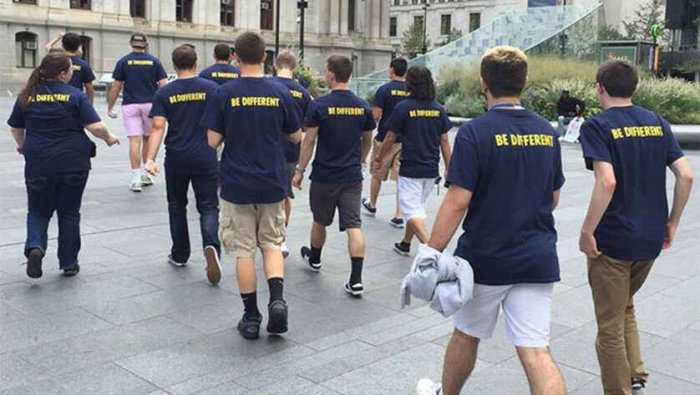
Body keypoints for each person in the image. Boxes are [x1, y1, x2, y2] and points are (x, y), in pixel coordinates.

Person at [416, 46, 566, 395]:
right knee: (536, 351)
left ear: (484, 83)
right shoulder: (547, 132)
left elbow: (457, 201)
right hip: (537, 257)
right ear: (524, 82)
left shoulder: (475, 132)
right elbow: (553, 196)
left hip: (486, 258)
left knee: (466, 334)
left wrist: (431, 252)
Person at [578, 60, 694, 395]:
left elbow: (607, 181)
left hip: (613, 240)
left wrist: (587, 231)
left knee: (609, 325)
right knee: (625, 303)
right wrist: (672, 221)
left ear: (599, 88)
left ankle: (620, 390)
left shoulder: (597, 126)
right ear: (636, 87)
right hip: (650, 236)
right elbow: (686, 175)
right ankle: (636, 374)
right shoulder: (657, 122)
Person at [202, 32, 302, 340]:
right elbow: (296, 136)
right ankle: (277, 300)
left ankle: (250, 316)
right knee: (272, 243)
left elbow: (212, 140)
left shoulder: (224, 93)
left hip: (236, 182)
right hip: (272, 180)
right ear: (265, 58)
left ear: (235, 57)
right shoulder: (279, 93)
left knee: (243, 250)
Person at [7, 53, 120, 279]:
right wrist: (108, 137)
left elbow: (15, 128)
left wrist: (22, 146)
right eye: (70, 70)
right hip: (73, 162)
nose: (71, 73)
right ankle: (69, 263)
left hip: (38, 162)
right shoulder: (75, 95)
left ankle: (36, 247)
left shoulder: (26, 96)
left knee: (38, 211)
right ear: (63, 74)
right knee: (69, 213)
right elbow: (95, 126)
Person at [293, 55, 376, 297]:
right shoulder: (362, 106)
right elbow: (368, 139)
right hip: (351, 175)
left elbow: (309, 141)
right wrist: (361, 160)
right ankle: (356, 280)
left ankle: (315, 259)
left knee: (320, 220)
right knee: (354, 225)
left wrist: (299, 171)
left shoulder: (319, 105)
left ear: (331, 74)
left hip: (325, 175)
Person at [143, 44, 222, 284]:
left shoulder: (165, 92)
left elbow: (157, 127)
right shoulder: (212, 89)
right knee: (208, 206)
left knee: (177, 205)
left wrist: (150, 159)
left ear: (174, 65)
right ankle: (211, 246)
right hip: (206, 154)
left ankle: (179, 253)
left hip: (177, 156)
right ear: (196, 62)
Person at [373, 66, 452, 257]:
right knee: (414, 207)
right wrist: (450, 168)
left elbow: (390, 137)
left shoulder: (404, 107)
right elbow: (445, 141)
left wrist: (379, 157)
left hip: (410, 168)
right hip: (431, 169)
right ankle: (405, 243)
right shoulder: (438, 108)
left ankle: (433, 251)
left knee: (412, 210)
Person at [107, 32, 168, 192]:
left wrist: (110, 106)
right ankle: (147, 173)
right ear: (146, 44)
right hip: (150, 104)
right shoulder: (154, 61)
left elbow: (116, 86)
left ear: (131, 44)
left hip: (130, 105)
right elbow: (163, 84)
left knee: (135, 140)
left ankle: (135, 178)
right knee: (148, 139)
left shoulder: (124, 61)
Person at [271, 51, 312, 257]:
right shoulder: (303, 93)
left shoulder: (267, 87)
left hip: (266, 150)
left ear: (275, 65)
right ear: (294, 68)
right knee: (285, 194)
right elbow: (305, 128)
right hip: (290, 151)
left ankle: (267, 236)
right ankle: (281, 239)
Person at [361, 58, 409, 228]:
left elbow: (376, 115)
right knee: (401, 178)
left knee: (377, 171)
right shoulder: (411, 91)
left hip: (385, 138)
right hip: (405, 139)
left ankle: (372, 204)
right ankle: (398, 215)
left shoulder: (383, 90)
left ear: (391, 70)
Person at [44, 32, 96, 103]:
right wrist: (90, 105)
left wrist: (58, 37)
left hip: (57, 99)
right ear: (78, 47)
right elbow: (89, 88)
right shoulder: (83, 64)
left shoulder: (56, 59)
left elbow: (47, 47)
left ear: (62, 46)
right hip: (74, 100)